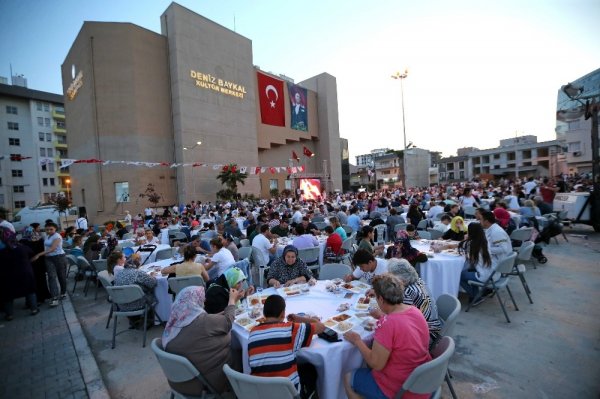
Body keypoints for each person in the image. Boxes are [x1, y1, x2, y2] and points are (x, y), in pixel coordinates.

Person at [343, 274, 431, 399]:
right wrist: (382, 316)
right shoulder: (414, 311)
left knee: (348, 378)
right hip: (422, 381)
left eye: (376, 298)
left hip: (402, 389)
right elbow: (401, 327)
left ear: (381, 299)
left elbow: (376, 364)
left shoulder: (388, 324)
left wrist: (357, 341)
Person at [163, 286, 243, 395]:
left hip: (178, 381)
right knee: (239, 349)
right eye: (202, 298)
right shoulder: (203, 323)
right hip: (203, 384)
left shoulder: (175, 322)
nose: (204, 301)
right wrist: (232, 300)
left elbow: (209, 319)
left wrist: (231, 305)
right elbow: (227, 322)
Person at [249, 295, 325, 398]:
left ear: (264, 313)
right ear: (282, 314)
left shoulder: (252, 332)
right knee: (310, 369)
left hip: (260, 392)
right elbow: (321, 327)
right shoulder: (290, 329)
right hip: (287, 394)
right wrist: (299, 318)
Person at [385, 259, 442, 348]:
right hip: (433, 325)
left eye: (391, 277)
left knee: (384, 334)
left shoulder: (407, 292)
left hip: (427, 334)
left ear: (401, 280)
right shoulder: (418, 281)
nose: (389, 279)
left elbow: (399, 319)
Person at [0, 227, 40, 320]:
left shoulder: (2, 251)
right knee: (30, 291)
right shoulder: (22, 248)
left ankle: (9, 314)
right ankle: (34, 309)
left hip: (7, 275)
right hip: (25, 272)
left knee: (8, 295)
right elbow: (33, 255)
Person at [113, 259, 157, 329]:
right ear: (137, 266)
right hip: (138, 304)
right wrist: (153, 276)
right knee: (150, 295)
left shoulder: (118, 274)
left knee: (132, 295)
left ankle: (134, 321)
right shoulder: (137, 273)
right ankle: (148, 322)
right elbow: (153, 283)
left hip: (122, 305)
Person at [459, 223, 496, 305]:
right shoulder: (485, 241)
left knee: (459, 276)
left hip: (482, 275)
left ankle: (475, 296)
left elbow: (460, 247)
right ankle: (476, 295)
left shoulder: (471, 243)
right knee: (471, 270)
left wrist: (465, 239)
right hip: (491, 272)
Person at [32, 222, 67, 307]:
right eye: (47, 229)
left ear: (55, 229)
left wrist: (38, 254)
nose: (49, 231)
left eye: (51, 229)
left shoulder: (57, 236)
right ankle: (54, 298)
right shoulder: (46, 236)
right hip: (48, 258)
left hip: (59, 257)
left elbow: (52, 248)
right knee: (51, 277)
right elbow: (44, 244)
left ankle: (63, 292)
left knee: (61, 276)